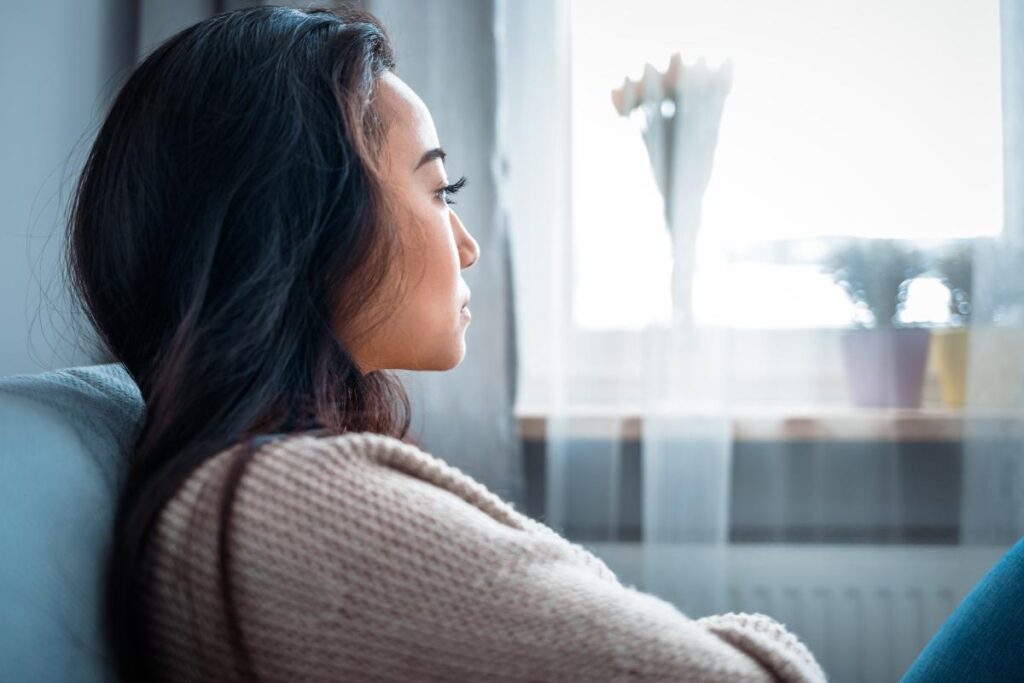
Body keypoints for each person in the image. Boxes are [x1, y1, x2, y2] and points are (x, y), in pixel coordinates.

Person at [67, 5, 826, 681]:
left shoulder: (247, 484)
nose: (466, 246)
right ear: (307, 225)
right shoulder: (295, 508)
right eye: (439, 192)